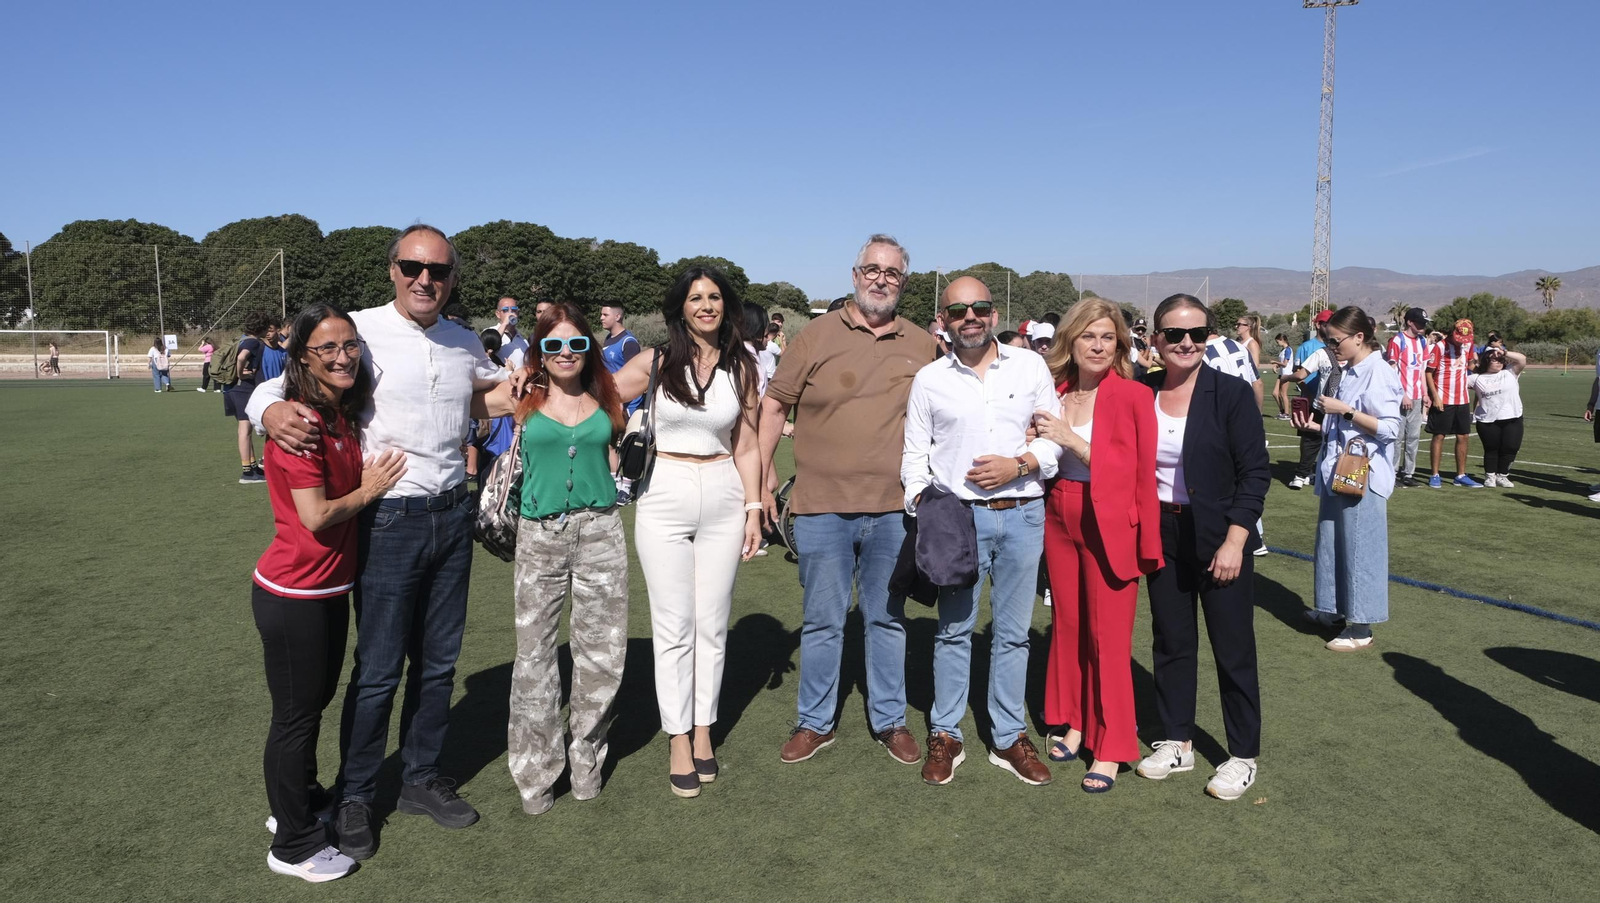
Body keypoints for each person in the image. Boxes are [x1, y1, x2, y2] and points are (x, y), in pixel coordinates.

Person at [250, 224, 514, 860]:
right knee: (377, 671)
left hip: (453, 516)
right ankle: (357, 794)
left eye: (440, 271)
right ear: (393, 269)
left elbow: (489, 395)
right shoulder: (359, 330)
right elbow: (285, 377)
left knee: (439, 664)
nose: (427, 279)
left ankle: (421, 778)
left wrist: (547, 377)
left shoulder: (460, 341)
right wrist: (266, 409)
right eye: (413, 266)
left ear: (453, 279)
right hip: (388, 520)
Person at [759, 234, 938, 768]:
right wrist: (765, 473)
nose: (881, 279)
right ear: (855, 274)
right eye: (872, 270)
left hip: (893, 509)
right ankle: (815, 722)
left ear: (903, 282)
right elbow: (774, 406)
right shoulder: (814, 336)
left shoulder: (923, 344)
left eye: (893, 273)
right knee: (822, 619)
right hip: (821, 507)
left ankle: (889, 719)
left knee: (886, 618)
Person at [251, 303, 406, 883]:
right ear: (301, 357)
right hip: (294, 594)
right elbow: (316, 517)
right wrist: (369, 491)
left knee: (309, 709)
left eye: (350, 345)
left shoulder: (337, 414)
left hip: (325, 590)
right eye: (326, 349)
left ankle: (296, 803)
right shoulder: (301, 422)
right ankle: (291, 844)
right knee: (295, 718)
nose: (343, 357)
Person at [609, 266, 763, 797]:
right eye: (695, 297)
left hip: (723, 491)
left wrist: (755, 507)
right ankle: (677, 737)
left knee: (712, 623)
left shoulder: (742, 367)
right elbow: (599, 402)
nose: (705, 305)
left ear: (727, 306)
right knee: (673, 624)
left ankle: (704, 732)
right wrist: (613, 446)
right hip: (664, 490)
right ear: (680, 308)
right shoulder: (653, 362)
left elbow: (745, 445)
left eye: (714, 297)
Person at [901, 277, 1061, 786]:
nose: (970, 316)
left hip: (1022, 514)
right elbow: (914, 456)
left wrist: (1019, 465)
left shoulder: (1031, 365)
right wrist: (925, 503)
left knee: (1013, 635)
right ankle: (946, 732)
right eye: (958, 310)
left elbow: (1053, 442)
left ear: (994, 314)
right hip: (959, 522)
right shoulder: (929, 379)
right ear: (944, 320)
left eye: (980, 307)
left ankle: (1008, 735)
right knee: (953, 632)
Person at [1133, 294, 1269, 801]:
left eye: (1197, 333)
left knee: (1232, 647)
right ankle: (1177, 741)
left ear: (1209, 337)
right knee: (1171, 641)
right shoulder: (1140, 391)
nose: (1186, 343)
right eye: (1174, 334)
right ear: (1156, 339)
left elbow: (1255, 474)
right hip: (1161, 533)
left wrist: (1236, 540)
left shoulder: (1230, 393)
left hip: (1220, 534)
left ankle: (1242, 754)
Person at [1030, 298, 1161, 793]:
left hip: (1109, 521)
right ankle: (1077, 721)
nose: (1099, 346)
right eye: (1089, 336)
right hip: (1058, 514)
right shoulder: (1055, 391)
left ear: (1120, 344)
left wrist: (1070, 439)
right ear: (1072, 340)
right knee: (1068, 626)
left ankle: (1111, 747)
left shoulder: (1132, 395)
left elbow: (1135, 472)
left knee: (1108, 637)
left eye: (1108, 337)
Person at [506, 302, 631, 814]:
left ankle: (586, 757)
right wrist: (514, 370)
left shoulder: (609, 396)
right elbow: (456, 398)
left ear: (589, 348)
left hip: (601, 530)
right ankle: (536, 774)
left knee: (601, 655)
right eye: (552, 344)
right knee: (534, 658)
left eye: (576, 343)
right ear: (539, 349)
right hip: (540, 535)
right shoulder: (521, 396)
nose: (565, 352)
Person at [1293, 306, 1401, 651]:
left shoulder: (1378, 372)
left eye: (1335, 340)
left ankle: (1361, 625)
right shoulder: (1347, 370)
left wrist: (1347, 412)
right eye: (1327, 339)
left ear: (1359, 337)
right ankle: (1334, 611)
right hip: (1337, 468)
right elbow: (1338, 424)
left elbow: (1389, 428)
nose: (1330, 345)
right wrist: (1314, 425)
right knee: (1331, 543)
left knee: (1359, 548)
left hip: (1363, 473)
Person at [1426, 319, 1482, 488]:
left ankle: (1461, 475)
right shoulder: (1440, 347)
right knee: (1439, 435)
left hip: (1462, 398)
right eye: (1459, 338)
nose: (1462, 342)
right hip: (1443, 398)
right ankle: (1435, 474)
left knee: (1463, 436)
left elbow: (1470, 364)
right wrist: (1435, 397)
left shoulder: (1468, 344)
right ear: (1453, 332)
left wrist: (1481, 367)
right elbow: (1428, 373)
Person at [1289, 311, 1336, 489]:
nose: (1329, 326)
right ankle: (1304, 471)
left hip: (1330, 401)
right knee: (1309, 437)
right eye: (1326, 323)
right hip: (1310, 398)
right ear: (1318, 325)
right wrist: (1306, 390)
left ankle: (1322, 471)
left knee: (1328, 436)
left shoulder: (1338, 347)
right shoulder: (1307, 347)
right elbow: (1298, 374)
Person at [1468, 346, 1527, 488]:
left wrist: (1504, 352)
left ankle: (1502, 476)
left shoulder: (1510, 372)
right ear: (1486, 361)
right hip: (1488, 420)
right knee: (1491, 449)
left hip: (1513, 417)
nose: (1498, 362)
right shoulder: (1476, 378)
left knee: (1511, 447)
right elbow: (1456, 385)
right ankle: (1490, 476)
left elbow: (1522, 359)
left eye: (1500, 359)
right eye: (1494, 359)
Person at [226, 312, 274, 484]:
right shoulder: (253, 342)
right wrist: (240, 374)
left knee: (246, 429)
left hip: (236, 389)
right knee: (245, 430)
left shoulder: (243, 339)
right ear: (260, 328)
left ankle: (253, 468)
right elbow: (241, 357)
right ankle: (247, 472)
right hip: (243, 390)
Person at [1385, 307, 1431, 488]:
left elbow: (1421, 370)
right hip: (1400, 397)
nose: (1423, 326)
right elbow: (1392, 371)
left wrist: (1425, 393)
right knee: (1396, 437)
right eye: (1420, 323)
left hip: (1417, 396)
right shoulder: (1398, 340)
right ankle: (1392, 472)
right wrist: (1402, 394)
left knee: (1413, 437)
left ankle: (1408, 473)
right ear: (1410, 322)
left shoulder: (1422, 342)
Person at [467, 329, 514, 491]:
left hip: (483, 446)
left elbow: (472, 436)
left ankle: (472, 500)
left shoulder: (482, 376)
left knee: (473, 476)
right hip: (504, 446)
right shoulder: (504, 375)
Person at [597, 302, 642, 414]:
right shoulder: (608, 338)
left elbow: (635, 378)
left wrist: (625, 407)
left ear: (618, 316)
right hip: (613, 400)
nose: (601, 318)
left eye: (605, 315)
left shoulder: (629, 343)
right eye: (601, 314)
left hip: (627, 407)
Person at [491, 296, 529, 371]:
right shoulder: (490, 332)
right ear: (498, 314)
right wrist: (505, 324)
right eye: (505, 310)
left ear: (518, 313)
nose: (510, 313)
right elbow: (490, 346)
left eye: (514, 310)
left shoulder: (524, 341)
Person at [1270, 334, 1294, 419]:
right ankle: (1282, 411)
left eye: (1278, 341)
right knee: (1275, 393)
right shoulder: (1283, 350)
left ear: (1282, 339)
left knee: (1283, 394)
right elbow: (1282, 364)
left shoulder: (1288, 350)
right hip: (1281, 373)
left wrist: (1275, 362)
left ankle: (1287, 414)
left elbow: (1285, 364)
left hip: (1286, 374)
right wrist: (1276, 366)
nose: (1277, 343)